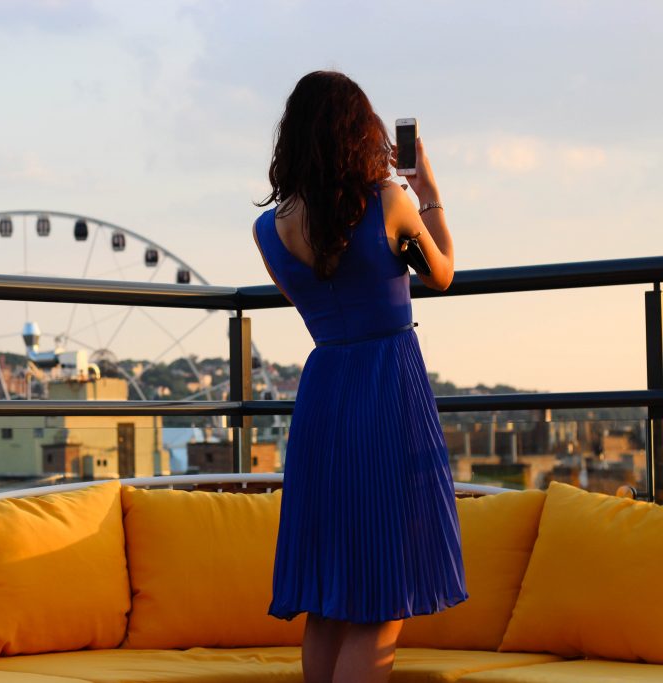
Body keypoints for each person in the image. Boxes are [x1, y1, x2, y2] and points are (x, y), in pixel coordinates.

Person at [252, 70, 467, 683]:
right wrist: (428, 190)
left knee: (330, 599)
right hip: (388, 390)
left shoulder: (271, 231)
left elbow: (312, 296)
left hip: (324, 395)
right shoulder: (389, 201)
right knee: (383, 595)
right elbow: (442, 272)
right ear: (360, 131)